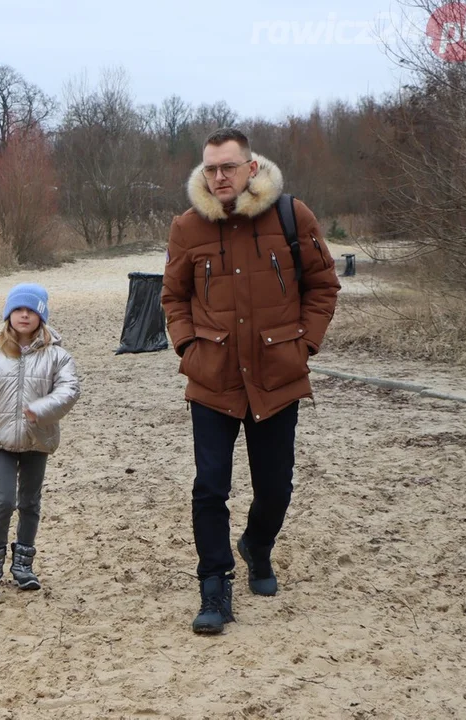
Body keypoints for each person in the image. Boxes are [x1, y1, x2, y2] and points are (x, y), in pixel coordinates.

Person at [161, 128, 340, 634]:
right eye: (210, 168)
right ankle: (214, 587)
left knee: (276, 487)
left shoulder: (291, 216)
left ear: (251, 168)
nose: (219, 176)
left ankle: (258, 547)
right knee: (209, 488)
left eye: (228, 167)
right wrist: (187, 347)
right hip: (213, 379)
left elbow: (324, 285)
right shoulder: (187, 228)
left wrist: (303, 345)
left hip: (277, 374)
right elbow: (173, 297)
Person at [0, 283, 81, 598]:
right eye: (18, 309)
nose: (24, 315)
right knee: (4, 501)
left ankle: (23, 566)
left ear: (41, 315)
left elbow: (69, 392)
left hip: (36, 440)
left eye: (31, 310)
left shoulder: (58, 356)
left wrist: (39, 410)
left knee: (29, 503)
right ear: (9, 314)